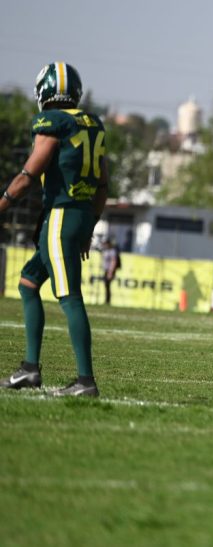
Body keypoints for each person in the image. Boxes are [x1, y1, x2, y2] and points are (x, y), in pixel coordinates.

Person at [0, 62, 109, 397]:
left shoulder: (52, 122)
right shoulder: (91, 123)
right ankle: (30, 370)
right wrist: (89, 225)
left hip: (61, 217)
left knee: (70, 296)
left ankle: (85, 381)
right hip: (78, 215)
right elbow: (104, 184)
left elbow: (30, 174)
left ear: (45, 92)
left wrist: (3, 202)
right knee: (28, 283)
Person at [101, 238, 120, 304]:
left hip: (109, 271)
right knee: (106, 285)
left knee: (107, 285)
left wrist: (110, 272)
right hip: (106, 270)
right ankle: (107, 300)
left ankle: (107, 301)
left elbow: (113, 261)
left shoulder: (112, 251)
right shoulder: (106, 250)